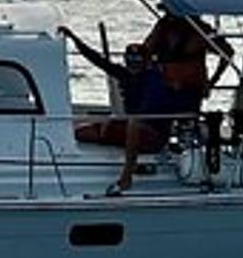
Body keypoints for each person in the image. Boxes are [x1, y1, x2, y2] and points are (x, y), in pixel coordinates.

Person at [58, 14, 220, 194]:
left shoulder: (157, 78)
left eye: (137, 61)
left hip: (153, 134)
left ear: (146, 62)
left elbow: (182, 97)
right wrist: (74, 39)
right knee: (81, 133)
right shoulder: (124, 74)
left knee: (133, 124)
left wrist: (200, 95)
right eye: (130, 60)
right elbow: (98, 60)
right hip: (131, 125)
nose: (133, 65)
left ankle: (126, 177)